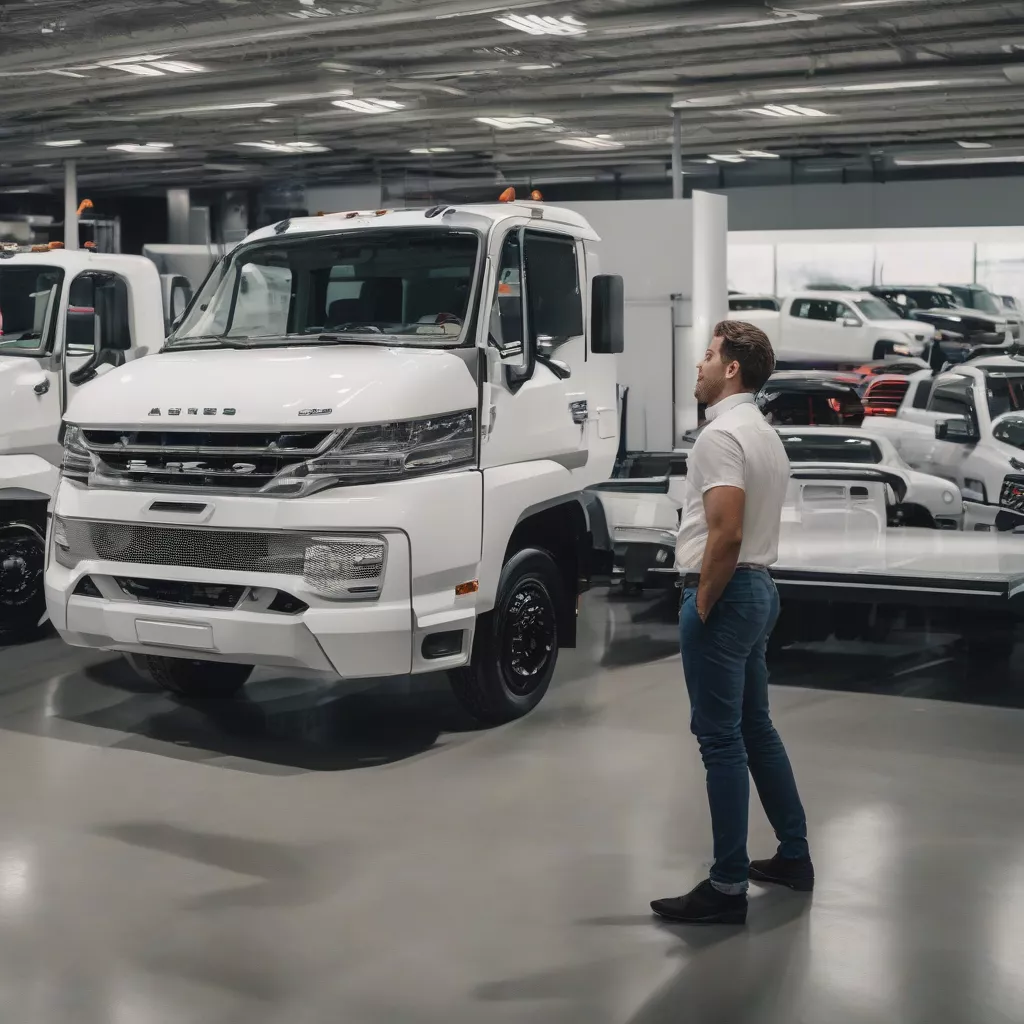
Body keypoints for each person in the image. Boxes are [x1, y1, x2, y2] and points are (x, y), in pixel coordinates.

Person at [651, 320, 813, 926]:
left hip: (727, 592)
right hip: (761, 589)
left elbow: (726, 532)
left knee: (720, 741)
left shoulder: (720, 436)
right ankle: (793, 857)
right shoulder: (763, 433)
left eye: (709, 355)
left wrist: (702, 602)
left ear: (731, 369)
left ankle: (725, 887)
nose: (699, 363)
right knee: (756, 730)